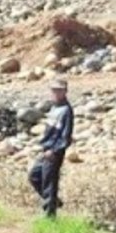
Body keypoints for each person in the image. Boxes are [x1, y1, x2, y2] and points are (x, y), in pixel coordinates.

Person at [29, 79, 74, 218]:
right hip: (46, 149)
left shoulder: (66, 111)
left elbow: (66, 137)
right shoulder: (54, 108)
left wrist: (54, 151)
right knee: (34, 176)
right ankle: (53, 202)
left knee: (50, 182)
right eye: (54, 90)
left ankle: (50, 215)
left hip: (54, 152)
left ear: (65, 92)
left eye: (59, 90)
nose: (56, 93)